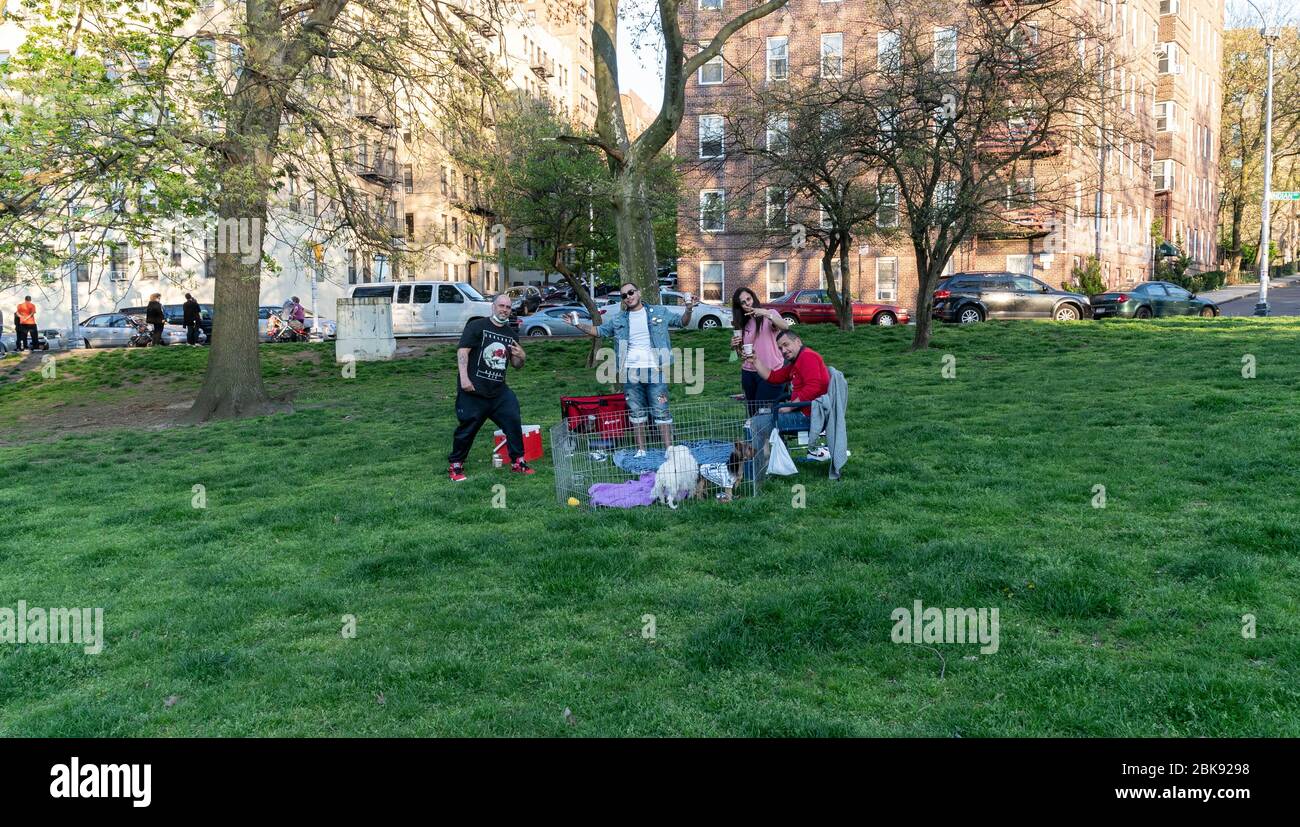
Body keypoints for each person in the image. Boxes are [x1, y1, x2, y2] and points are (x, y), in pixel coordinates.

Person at [567, 282, 696, 457]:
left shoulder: (659, 312)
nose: (628, 297)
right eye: (624, 295)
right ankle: (641, 450)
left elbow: (682, 322)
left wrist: (688, 309)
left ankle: (669, 450)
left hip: (655, 369)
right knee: (636, 411)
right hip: (630, 371)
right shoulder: (619, 319)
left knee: (661, 409)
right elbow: (599, 331)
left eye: (631, 292)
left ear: (639, 292)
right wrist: (577, 324)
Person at [449, 293, 532, 482]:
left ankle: (518, 462)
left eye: (508, 307)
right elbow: (463, 352)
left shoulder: (511, 334)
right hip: (473, 389)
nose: (504, 310)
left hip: (498, 391)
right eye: (501, 305)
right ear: (493, 307)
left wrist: (523, 356)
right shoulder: (476, 326)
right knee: (467, 429)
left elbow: (516, 365)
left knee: (512, 420)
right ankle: (455, 465)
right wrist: (464, 379)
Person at [754, 329, 830, 439]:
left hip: (809, 417)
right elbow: (774, 377)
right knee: (761, 416)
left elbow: (814, 387)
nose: (783, 350)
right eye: (780, 348)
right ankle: (769, 455)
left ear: (798, 342)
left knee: (755, 423)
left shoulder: (807, 357)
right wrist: (755, 361)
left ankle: (761, 456)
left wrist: (791, 406)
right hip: (804, 412)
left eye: (786, 345)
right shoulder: (798, 360)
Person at [730, 287, 791, 415]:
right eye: (743, 302)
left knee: (764, 412)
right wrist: (734, 346)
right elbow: (742, 353)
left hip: (771, 371)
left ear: (753, 298)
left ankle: (771, 435)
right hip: (749, 372)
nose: (748, 303)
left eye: (749, 299)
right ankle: (757, 434)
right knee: (753, 412)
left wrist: (765, 313)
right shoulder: (742, 323)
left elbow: (785, 327)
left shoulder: (770, 314)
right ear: (739, 306)